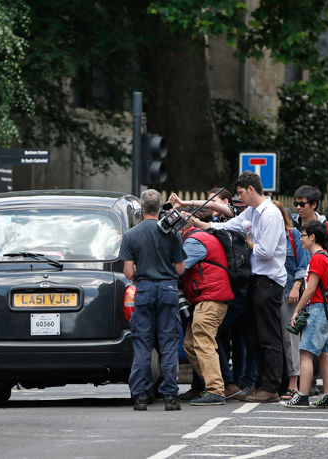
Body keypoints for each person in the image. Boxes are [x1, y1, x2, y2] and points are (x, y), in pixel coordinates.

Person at [189, 171, 287, 403]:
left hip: (269, 281)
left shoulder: (270, 214)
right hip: (257, 279)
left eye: (241, 193)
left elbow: (267, 251)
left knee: (269, 336)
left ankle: (271, 387)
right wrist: (200, 224)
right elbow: (228, 226)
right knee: (255, 336)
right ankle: (262, 384)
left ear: (251, 189)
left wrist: (250, 242)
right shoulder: (253, 212)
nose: (239, 198)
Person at [119, 189, 186, 411]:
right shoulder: (171, 232)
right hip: (167, 290)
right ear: (159, 208)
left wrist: (143, 269)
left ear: (141, 208)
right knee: (168, 344)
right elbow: (180, 268)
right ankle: (170, 397)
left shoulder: (131, 235)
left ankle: (140, 396)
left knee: (142, 344)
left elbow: (128, 273)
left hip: (145, 290)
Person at [178, 210, 234, 405]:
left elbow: (179, 268)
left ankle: (216, 390)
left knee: (202, 341)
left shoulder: (194, 241)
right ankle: (216, 384)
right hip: (206, 299)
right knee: (190, 344)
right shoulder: (199, 237)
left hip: (211, 299)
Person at [283, 220, 328, 409]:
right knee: (324, 354)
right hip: (326, 309)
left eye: (303, 235)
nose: (301, 239)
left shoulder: (317, 258)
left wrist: (297, 310)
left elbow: (310, 289)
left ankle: (302, 394)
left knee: (305, 353)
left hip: (317, 309)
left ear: (312, 237)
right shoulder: (325, 256)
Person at [274, 200, 309, 400]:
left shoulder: (293, 235)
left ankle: (293, 383)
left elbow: (302, 264)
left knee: (290, 338)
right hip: (270, 291)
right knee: (274, 338)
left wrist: (296, 285)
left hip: (289, 293)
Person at [293, 185, 328, 261]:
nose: (298, 207)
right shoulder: (292, 225)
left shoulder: (327, 228)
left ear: (313, 205)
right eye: (296, 204)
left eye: (302, 204)